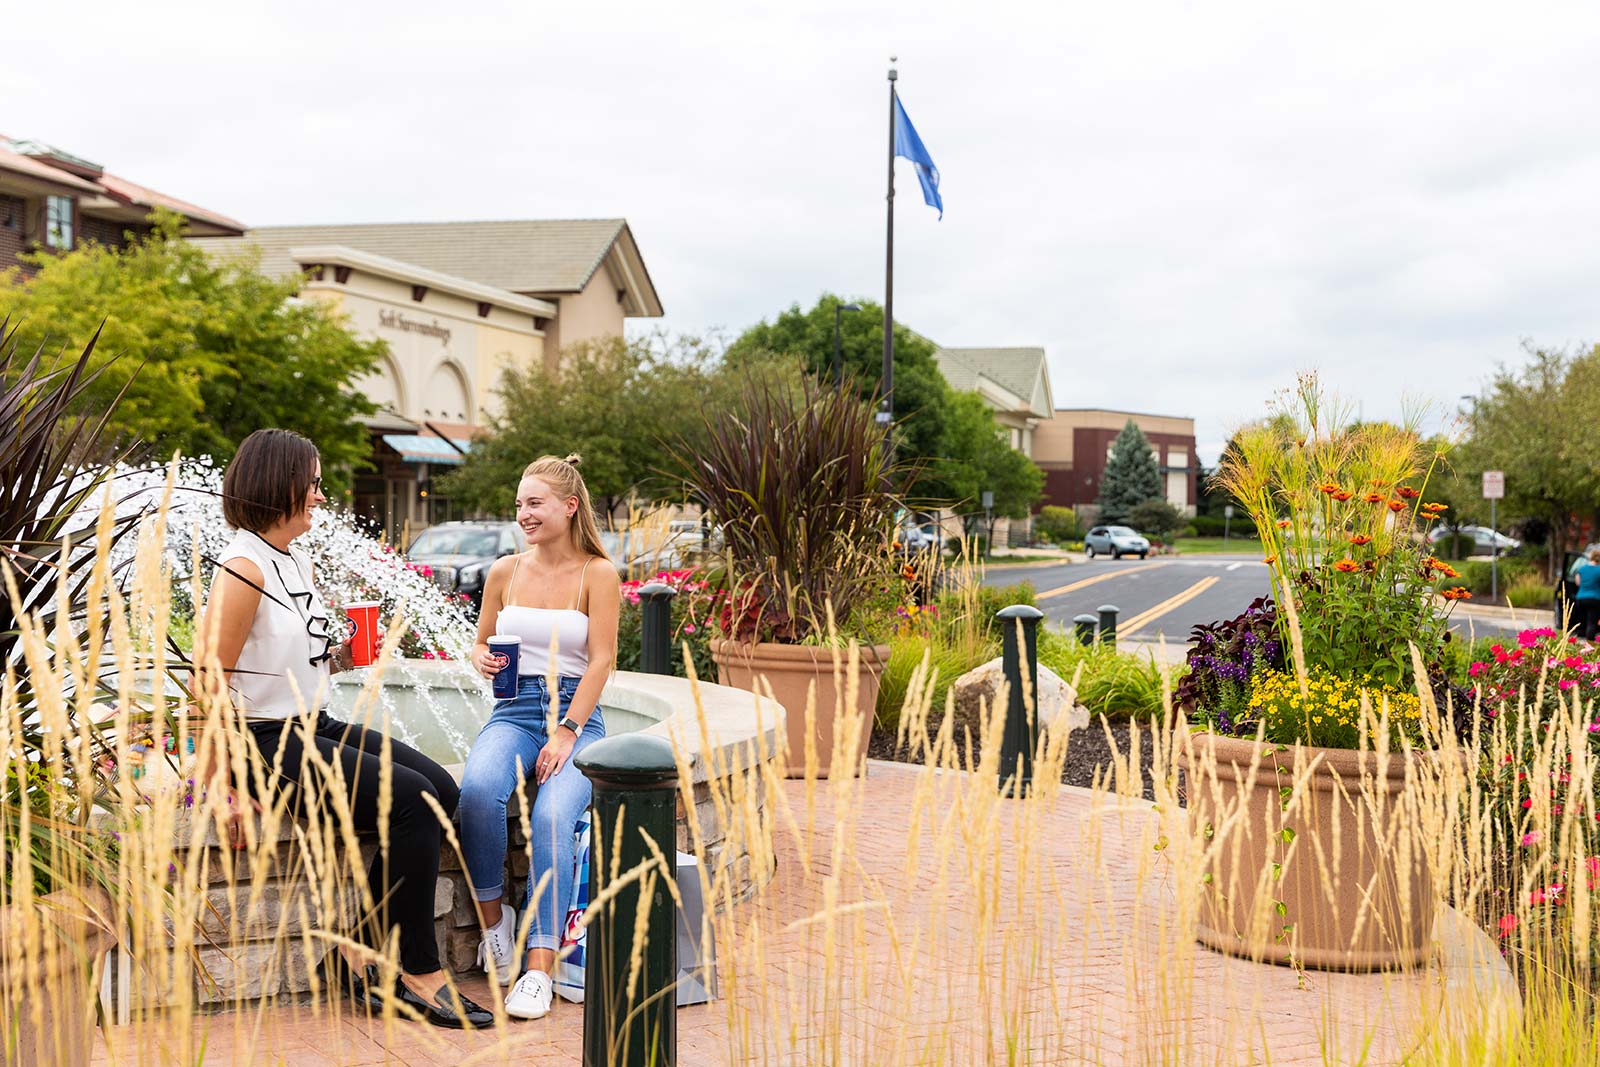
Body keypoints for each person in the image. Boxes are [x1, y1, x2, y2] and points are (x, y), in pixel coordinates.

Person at [196, 428, 491, 1029]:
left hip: (312, 723)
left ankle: (355, 953)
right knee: (409, 802)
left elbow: (297, 655)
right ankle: (416, 970)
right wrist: (223, 787)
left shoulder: (291, 558)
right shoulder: (242, 568)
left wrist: (342, 655)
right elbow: (210, 681)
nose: (321, 497)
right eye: (314, 484)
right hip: (264, 742)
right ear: (281, 486)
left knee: (441, 790)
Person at [459, 454, 619, 1020]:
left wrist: (569, 731)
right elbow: (481, 642)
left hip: (575, 717)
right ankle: (494, 923)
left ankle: (538, 968)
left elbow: (602, 661)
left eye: (535, 503)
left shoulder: (597, 574)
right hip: (514, 710)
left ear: (569, 507)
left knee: (552, 817)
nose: (523, 513)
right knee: (477, 792)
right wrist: (481, 657)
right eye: (520, 503)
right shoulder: (505, 571)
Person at [1574, 547, 1600, 641]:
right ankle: (1589, 642)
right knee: (1592, 622)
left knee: (1582, 620)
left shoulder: (1582, 569)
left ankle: (1579, 638)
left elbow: (1578, 582)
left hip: (1581, 598)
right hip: (1595, 599)